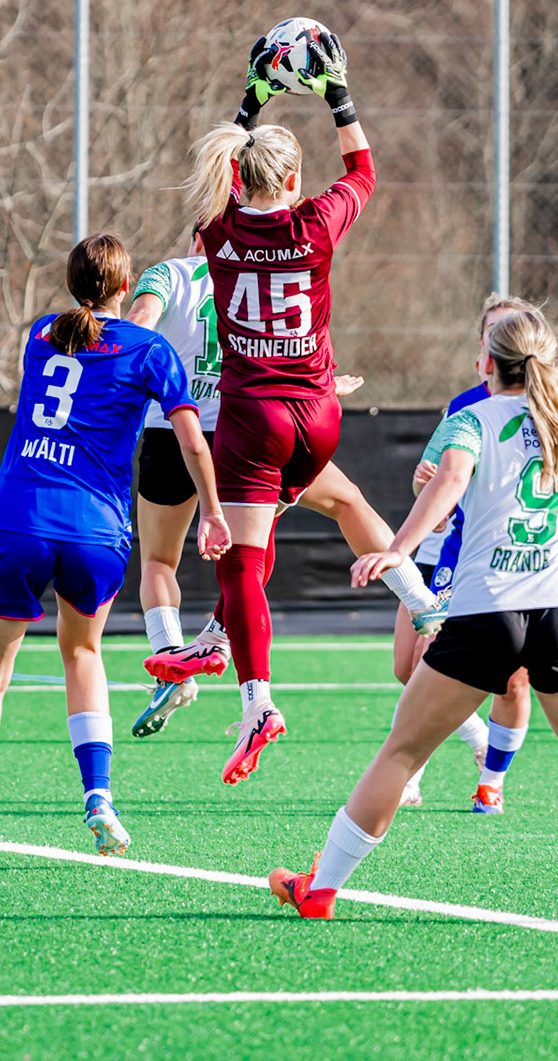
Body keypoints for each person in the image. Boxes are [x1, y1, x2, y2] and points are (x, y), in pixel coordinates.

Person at [267, 309, 558, 924]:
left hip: (491, 608)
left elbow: (449, 481)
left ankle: (320, 890)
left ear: (486, 363)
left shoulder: (470, 419)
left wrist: (398, 548)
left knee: (400, 753)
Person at [0, 235, 230, 868]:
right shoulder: (151, 349)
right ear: (127, 286)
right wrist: (215, 512)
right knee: (82, 653)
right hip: (96, 531)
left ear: (73, 284)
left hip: (20, 521)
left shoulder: (42, 335)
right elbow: (194, 444)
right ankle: (98, 796)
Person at [144, 28, 377, 785]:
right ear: (296, 175)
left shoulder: (216, 233)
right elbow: (364, 170)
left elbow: (217, 181)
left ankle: (255, 702)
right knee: (268, 524)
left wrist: (254, 96)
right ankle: (215, 636)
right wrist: (336, 92)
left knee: (240, 561)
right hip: (320, 414)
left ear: (238, 178)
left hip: (253, 417)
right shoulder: (317, 225)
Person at [124, 242, 444, 739]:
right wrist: (322, 388)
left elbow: (142, 317)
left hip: (172, 432)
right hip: (240, 430)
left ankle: (171, 655)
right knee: (344, 503)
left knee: (159, 562)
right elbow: (288, 354)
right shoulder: (264, 279)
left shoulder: (169, 273)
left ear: (194, 239)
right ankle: (420, 600)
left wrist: (114, 367)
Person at [396, 294, 541, 813]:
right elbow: (434, 491)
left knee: (511, 677)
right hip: (456, 549)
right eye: (494, 331)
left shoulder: (554, 410)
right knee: (409, 664)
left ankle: (481, 778)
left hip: (519, 558)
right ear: (483, 346)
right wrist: (424, 487)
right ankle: (475, 741)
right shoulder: (465, 408)